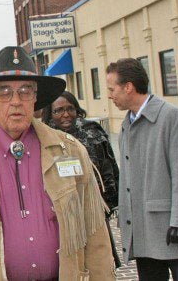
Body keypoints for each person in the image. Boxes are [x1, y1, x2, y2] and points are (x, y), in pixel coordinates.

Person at [0, 46, 115, 280]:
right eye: (4, 92)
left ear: (36, 100)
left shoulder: (69, 150)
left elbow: (95, 235)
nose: (16, 101)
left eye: (25, 91)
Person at [106, 58, 178, 280]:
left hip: (172, 228)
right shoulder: (126, 124)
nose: (110, 95)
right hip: (143, 230)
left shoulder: (171, 117)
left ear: (128, 86)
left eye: (112, 89)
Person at [42, 91, 121, 268]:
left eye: (70, 108)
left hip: (94, 209)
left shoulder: (92, 132)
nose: (65, 114)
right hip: (61, 216)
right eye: (59, 110)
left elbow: (109, 169)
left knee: (100, 263)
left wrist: (109, 203)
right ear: (50, 114)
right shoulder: (44, 138)